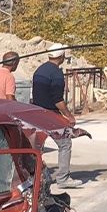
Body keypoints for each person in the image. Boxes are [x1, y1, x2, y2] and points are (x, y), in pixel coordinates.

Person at [32, 51, 82, 188]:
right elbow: (58, 100)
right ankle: (63, 179)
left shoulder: (39, 70)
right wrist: (68, 116)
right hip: (51, 115)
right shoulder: (56, 73)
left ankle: (34, 179)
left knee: (36, 148)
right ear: (61, 57)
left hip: (36, 114)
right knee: (65, 144)